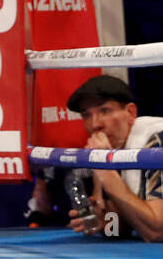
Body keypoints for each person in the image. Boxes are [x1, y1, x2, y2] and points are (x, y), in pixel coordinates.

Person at [65, 75, 163, 242]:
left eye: (104, 111)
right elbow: (118, 229)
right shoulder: (115, 149)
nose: (95, 124)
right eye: (87, 115)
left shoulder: (156, 141)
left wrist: (106, 172)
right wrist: (102, 221)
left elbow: (157, 232)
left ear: (131, 113)